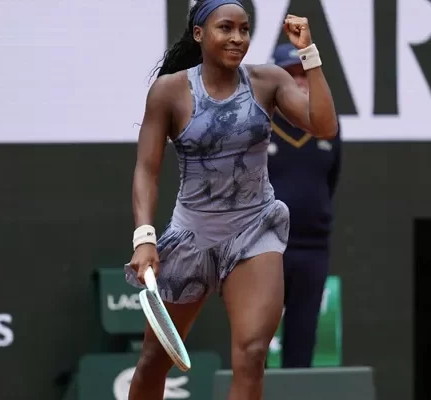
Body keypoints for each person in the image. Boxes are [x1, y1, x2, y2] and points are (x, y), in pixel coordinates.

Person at [123, 0, 338, 399]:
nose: (238, 38)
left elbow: (324, 126)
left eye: (244, 29)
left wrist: (310, 54)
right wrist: (145, 238)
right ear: (199, 34)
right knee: (155, 358)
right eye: (226, 28)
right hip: (192, 235)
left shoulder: (268, 80)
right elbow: (146, 170)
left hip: (255, 230)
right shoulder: (169, 91)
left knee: (253, 354)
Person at [266, 42, 341, 368]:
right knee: (254, 341)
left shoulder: (329, 126)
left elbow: (331, 180)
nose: (298, 81)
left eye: (303, 74)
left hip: (313, 248)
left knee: (303, 339)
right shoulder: (257, 125)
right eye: (289, 74)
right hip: (264, 247)